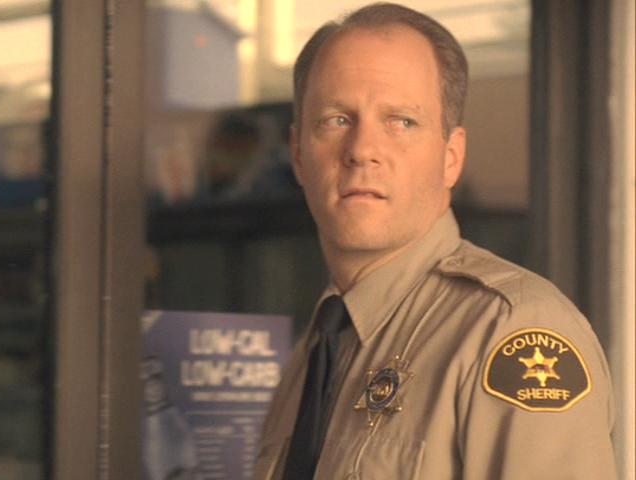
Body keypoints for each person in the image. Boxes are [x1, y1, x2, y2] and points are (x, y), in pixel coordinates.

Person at [252, 3, 616, 479]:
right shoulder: (311, 355)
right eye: (337, 120)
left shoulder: (510, 333)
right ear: (299, 154)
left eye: (401, 121)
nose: (362, 150)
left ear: (451, 158)